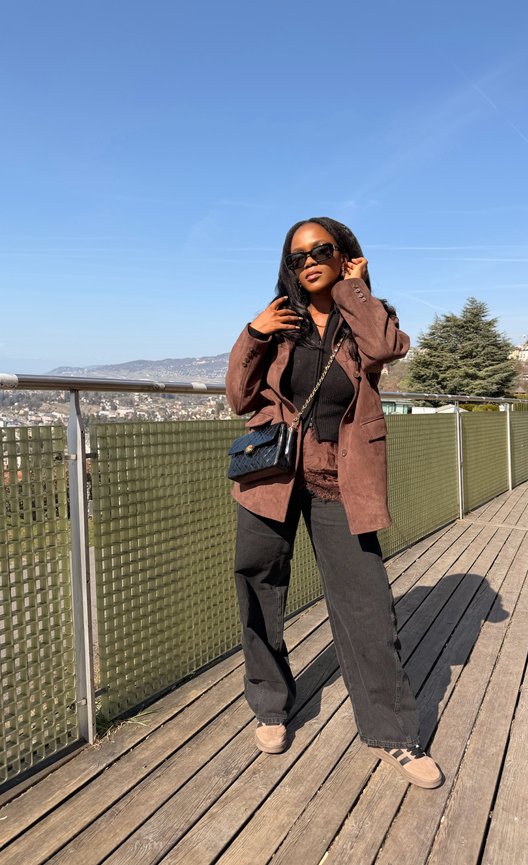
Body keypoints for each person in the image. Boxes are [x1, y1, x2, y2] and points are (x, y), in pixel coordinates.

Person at [225, 217, 443, 789]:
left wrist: (354, 288)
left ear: (345, 254)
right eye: (298, 256)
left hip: (342, 479)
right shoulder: (278, 321)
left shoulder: (365, 313)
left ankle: (394, 732)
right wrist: (253, 331)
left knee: (366, 602)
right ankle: (272, 703)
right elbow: (238, 396)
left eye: (322, 250)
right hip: (271, 476)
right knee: (259, 584)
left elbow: (386, 348)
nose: (309, 261)